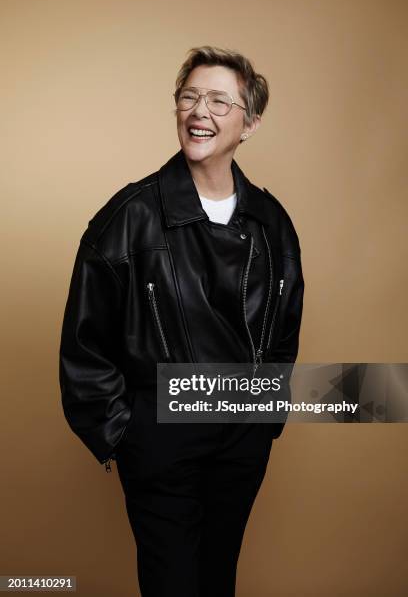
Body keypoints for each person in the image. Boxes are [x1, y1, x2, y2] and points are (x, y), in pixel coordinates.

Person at [59, 45, 305, 597]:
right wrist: (126, 433)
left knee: (218, 578)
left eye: (220, 101)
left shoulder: (272, 222)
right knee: (172, 583)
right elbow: (85, 343)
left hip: (243, 433)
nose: (200, 112)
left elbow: (284, 328)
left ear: (250, 123)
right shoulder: (128, 217)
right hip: (161, 437)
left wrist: (265, 415)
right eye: (189, 97)